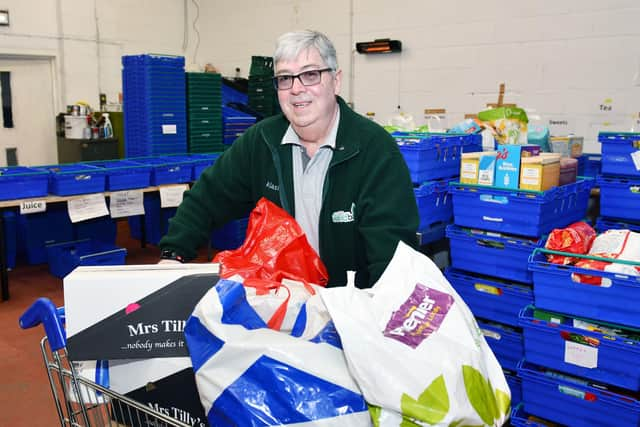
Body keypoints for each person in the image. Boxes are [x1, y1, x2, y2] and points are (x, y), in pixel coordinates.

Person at [159, 29, 419, 288]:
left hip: (349, 305)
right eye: (285, 78)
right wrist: (174, 254)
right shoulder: (262, 140)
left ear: (336, 81)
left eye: (310, 75)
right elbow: (207, 198)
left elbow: (392, 255)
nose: (296, 89)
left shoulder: (373, 149)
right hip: (281, 299)